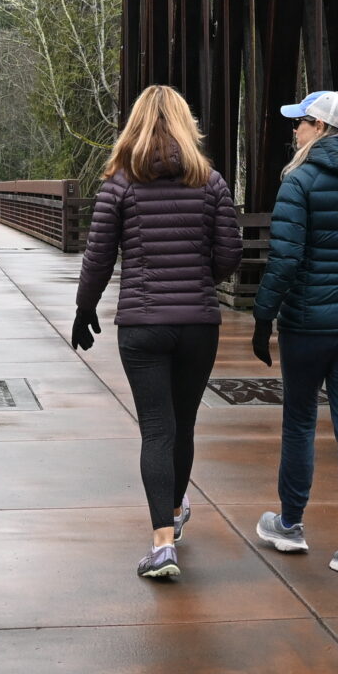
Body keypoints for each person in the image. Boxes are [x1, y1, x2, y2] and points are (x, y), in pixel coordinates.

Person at [70, 85, 242, 582]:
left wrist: (85, 308)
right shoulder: (210, 182)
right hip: (197, 326)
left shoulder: (120, 184)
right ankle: (173, 515)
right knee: (182, 425)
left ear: (135, 126)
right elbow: (230, 254)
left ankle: (161, 546)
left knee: (156, 430)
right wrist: (197, 284)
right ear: (187, 125)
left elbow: (99, 254)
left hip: (142, 325)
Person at [249, 90, 338, 578]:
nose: (294, 130)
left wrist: (264, 319)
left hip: (308, 324)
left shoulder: (299, 180)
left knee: (301, 422)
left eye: (301, 122)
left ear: (321, 129)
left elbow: (285, 260)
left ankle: (289, 524)